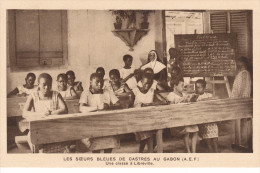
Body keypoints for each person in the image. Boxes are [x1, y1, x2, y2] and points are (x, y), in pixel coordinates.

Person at [22, 73, 70, 153]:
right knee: (34, 139)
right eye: (44, 85)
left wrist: (51, 113)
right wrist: (40, 114)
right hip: (39, 128)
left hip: (54, 127)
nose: (47, 87)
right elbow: (24, 113)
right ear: (38, 85)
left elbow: (65, 109)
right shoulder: (33, 96)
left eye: (49, 85)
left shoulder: (56, 94)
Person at [78, 73, 121, 153]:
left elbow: (119, 105)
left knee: (110, 141)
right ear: (91, 82)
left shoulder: (107, 92)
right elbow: (81, 108)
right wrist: (97, 107)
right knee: (95, 146)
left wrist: (109, 107)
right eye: (97, 82)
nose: (100, 84)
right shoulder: (86, 93)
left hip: (107, 123)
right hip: (93, 124)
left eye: (101, 81)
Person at [132, 72, 168, 153]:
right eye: (145, 84)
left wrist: (150, 104)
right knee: (146, 135)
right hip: (137, 120)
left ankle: (150, 151)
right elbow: (129, 108)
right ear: (141, 82)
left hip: (149, 119)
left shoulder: (152, 91)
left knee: (159, 132)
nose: (147, 86)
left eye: (149, 84)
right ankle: (141, 151)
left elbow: (164, 101)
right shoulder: (135, 91)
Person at [167, 77, 198, 153]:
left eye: (184, 85)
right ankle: (188, 151)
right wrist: (180, 102)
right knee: (187, 129)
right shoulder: (171, 95)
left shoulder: (184, 94)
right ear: (175, 86)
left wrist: (192, 99)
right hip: (176, 120)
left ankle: (194, 152)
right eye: (181, 85)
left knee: (196, 129)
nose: (183, 87)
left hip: (186, 117)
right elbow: (170, 110)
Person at [231, 56, 252, 148]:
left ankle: (242, 143)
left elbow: (242, 88)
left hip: (241, 102)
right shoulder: (242, 73)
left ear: (243, 63)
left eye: (238, 62)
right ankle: (239, 142)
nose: (237, 64)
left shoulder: (244, 73)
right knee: (239, 122)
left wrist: (238, 101)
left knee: (243, 122)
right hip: (239, 101)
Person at [193, 79, 219, 153]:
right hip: (202, 119)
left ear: (204, 88)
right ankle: (210, 148)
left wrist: (204, 100)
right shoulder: (195, 97)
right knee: (207, 132)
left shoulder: (208, 95)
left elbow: (216, 98)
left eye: (199, 87)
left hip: (211, 118)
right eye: (196, 87)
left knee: (214, 132)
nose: (197, 89)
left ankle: (216, 150)